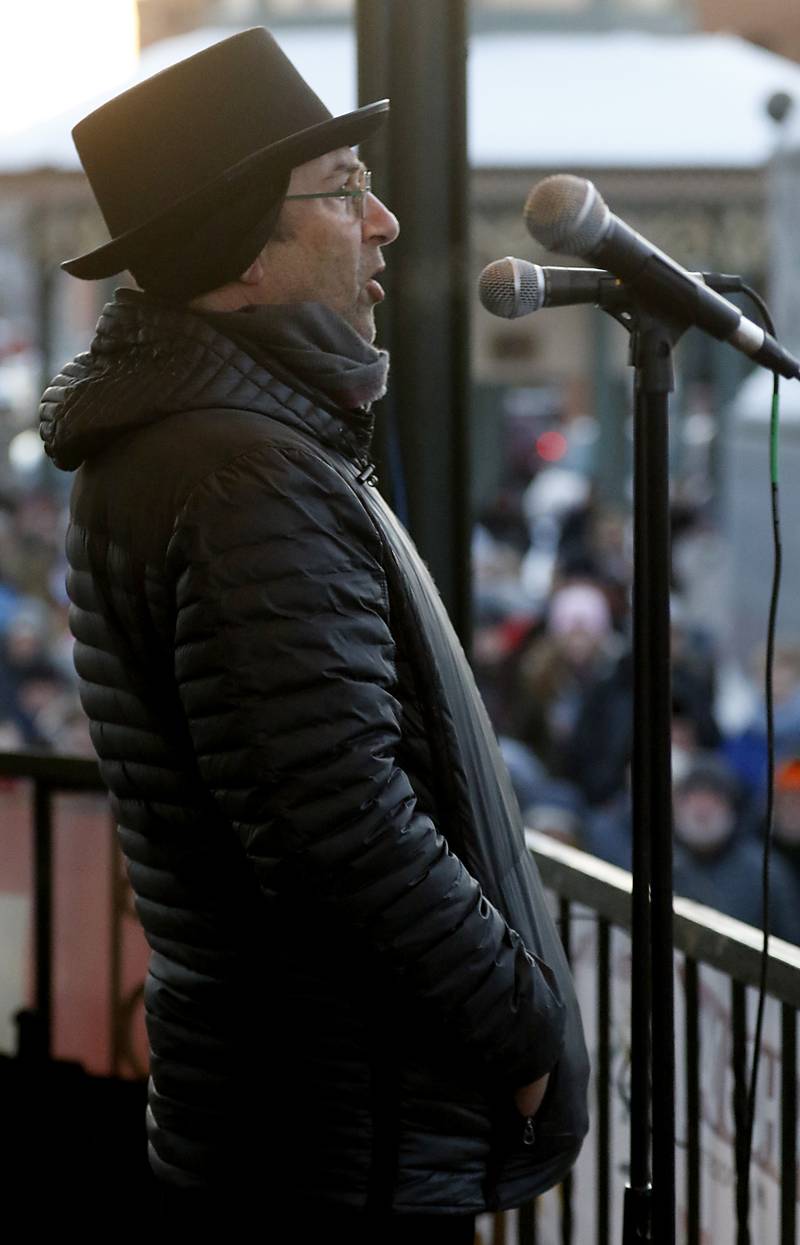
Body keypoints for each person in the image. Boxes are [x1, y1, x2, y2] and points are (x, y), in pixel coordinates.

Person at [39, 28, 588, 1238]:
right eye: (342, 192)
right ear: (238, 254)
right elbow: (340, 826)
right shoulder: (243, 477)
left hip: (291, 1126)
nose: (384, 220)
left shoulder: (199, 445)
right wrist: (523, 1034)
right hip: (345, 1143)